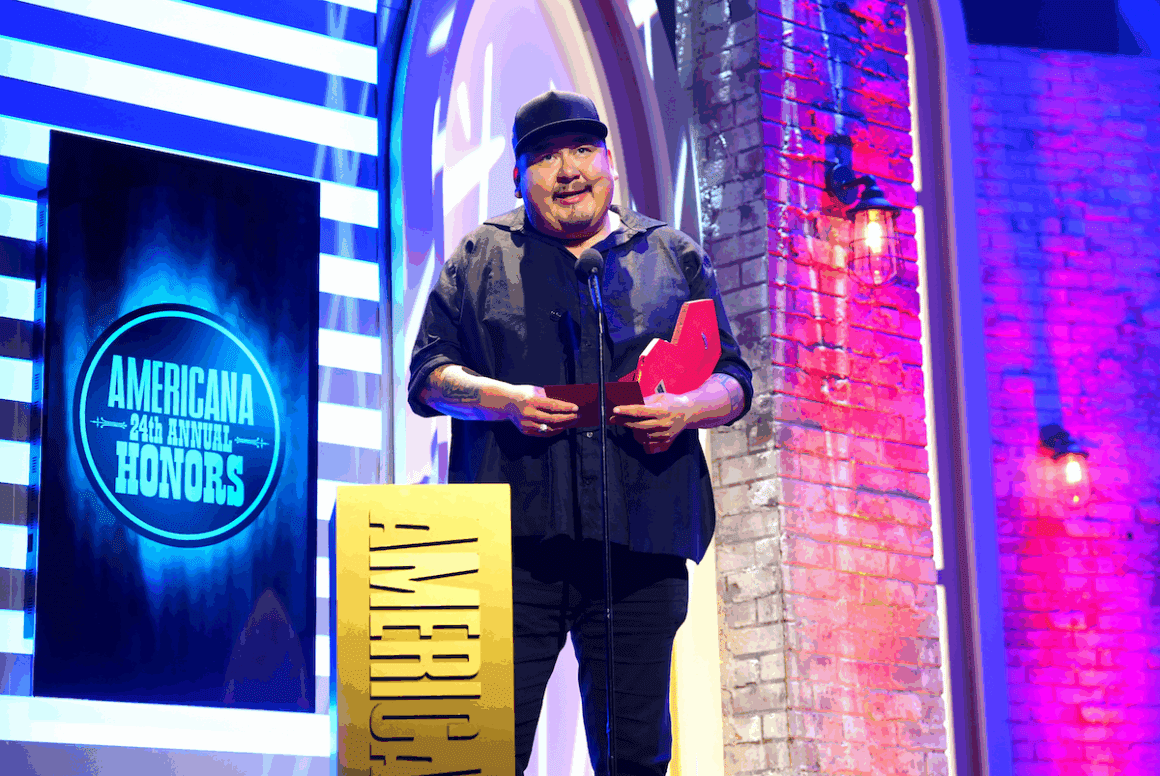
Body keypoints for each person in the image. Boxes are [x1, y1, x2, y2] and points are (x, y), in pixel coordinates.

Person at [408, 90, 752, 776]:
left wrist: (687, 408)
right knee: (481, 756)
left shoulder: (672, 256)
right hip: (512, 551)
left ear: (610, 163)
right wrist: (503, 401)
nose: (567, 170)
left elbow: (735, 379)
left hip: (639, 546)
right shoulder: (480, 257)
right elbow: (427, 377)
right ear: (517, 177)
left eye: (583, 150)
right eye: (544, 156)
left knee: (635, 760)